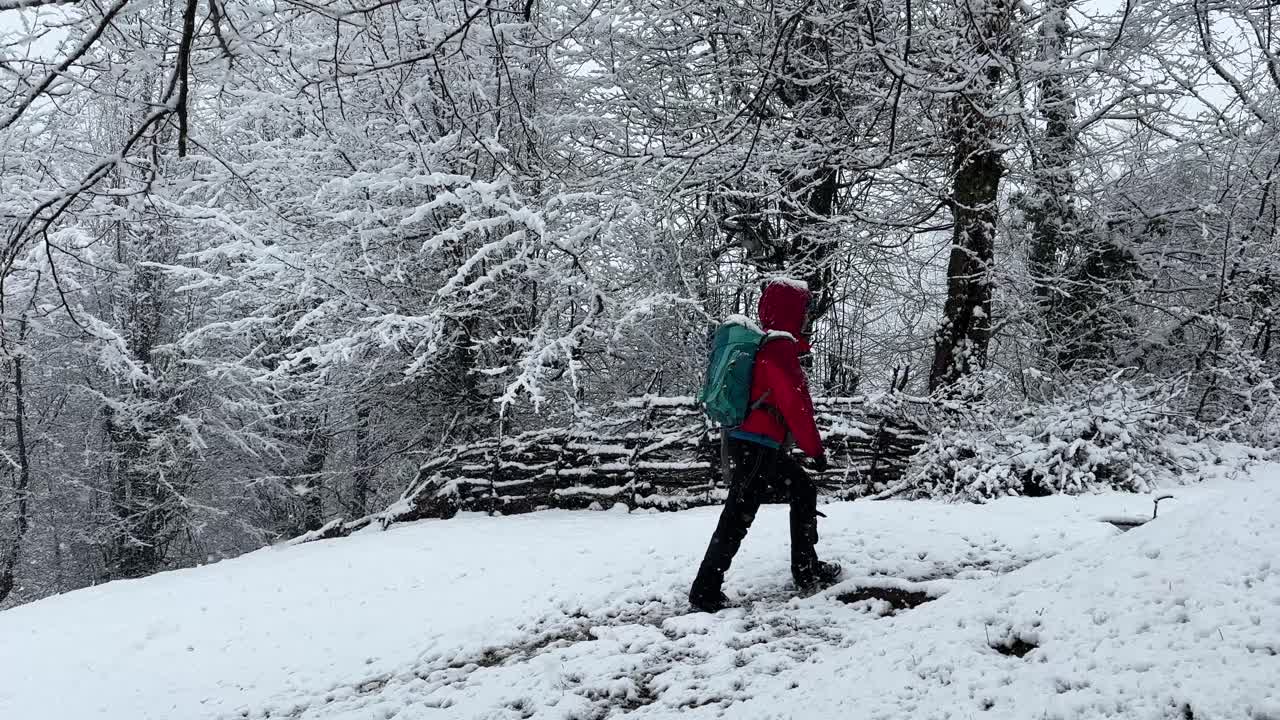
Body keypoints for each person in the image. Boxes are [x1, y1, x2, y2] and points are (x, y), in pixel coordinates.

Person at [689, 279, 841, 613]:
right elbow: (796, 405)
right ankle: (705, 590)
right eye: (803, 311)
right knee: (738, 515)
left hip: (751, 443)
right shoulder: (778, 348)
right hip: (758, 447)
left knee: (802, 490)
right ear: (792, 311)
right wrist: (814, 450)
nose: (806, 319)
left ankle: (806, 569)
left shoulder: (765, 344)